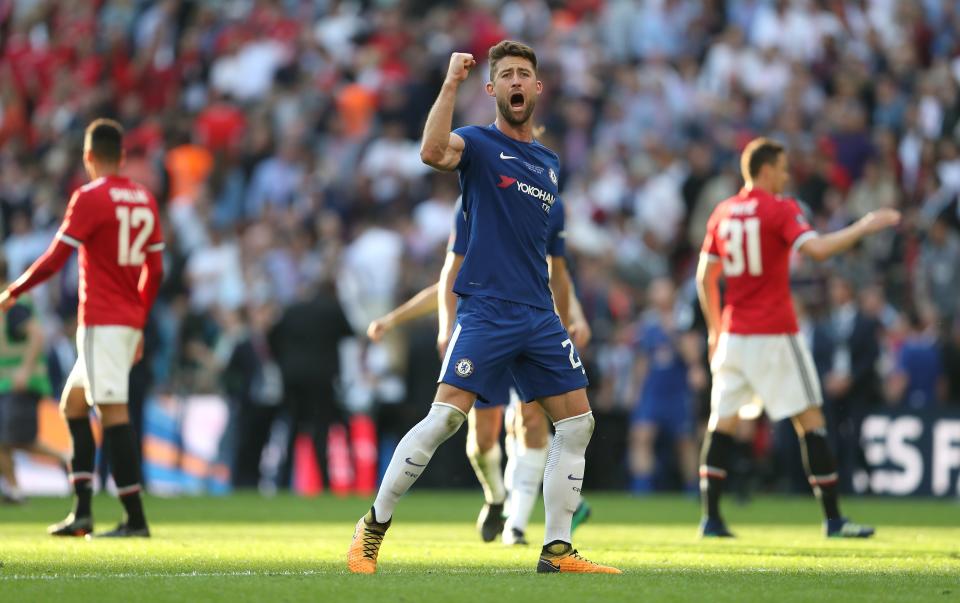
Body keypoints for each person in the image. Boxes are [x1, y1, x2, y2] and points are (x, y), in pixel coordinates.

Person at [348, 41, 620, 574]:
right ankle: (372, 528)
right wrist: (450, 82)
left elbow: (549, 258)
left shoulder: (548, 163)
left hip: (538, 314)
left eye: (525, 74)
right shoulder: (475, 143)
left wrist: (569, 314)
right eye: (507, 76)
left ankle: (557, 550)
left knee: (578, 423)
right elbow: (430, 153)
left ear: (538, 89)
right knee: (446, 419)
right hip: (489, 310)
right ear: (493, 90)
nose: (517, 82)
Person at [695, 137, 899, 538]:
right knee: (811, 420)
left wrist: (715, 329)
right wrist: (862, 226)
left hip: (733, 334)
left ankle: (711, 519)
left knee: (722, 424)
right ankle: (834, 519)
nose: (787, 175)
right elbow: (818, 250)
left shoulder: (723, 212)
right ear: (767, 169)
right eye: (784, 168)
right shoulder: (780, 208)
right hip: (774, 332)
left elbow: (705, 277)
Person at [367, 196, 592, 546]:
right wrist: (405, 320)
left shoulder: (546, 196)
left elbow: (557, 277)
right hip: (487, 326)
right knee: (478, 435)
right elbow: (449, 278)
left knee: (531, 422)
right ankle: (496, 497)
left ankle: (517, 526)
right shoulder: (475, 202)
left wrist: (571, 320)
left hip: (533, 324)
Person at [0, 118, 164, 537]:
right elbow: (156, 269)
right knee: (73, 406)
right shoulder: (144, 197)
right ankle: (84, 512)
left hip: (102, 321)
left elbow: (56, 258)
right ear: (122, 157)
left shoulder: (90, 197)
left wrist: (14, 290)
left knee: (112, 412)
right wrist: (139, 321)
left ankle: (135, 519)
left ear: (88, 157)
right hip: (126, 320)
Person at [0, 267, 69, 504]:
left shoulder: (12, 301)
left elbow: (37, 335)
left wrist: (25, 371)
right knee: (7, 439)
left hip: (21, 383)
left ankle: (64, 457)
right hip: (6, 383)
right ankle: (14, 490)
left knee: (16, 439)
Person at [628, 277, 701, 495]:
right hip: (653, 389)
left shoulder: (683, 319)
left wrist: (674, 332)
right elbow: (642, 360)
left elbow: (693, 356)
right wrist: (636, 390)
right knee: (641, 436)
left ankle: (693, 489)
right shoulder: (647, 322)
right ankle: (642, 488)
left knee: (685, 442)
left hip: (677, 389)